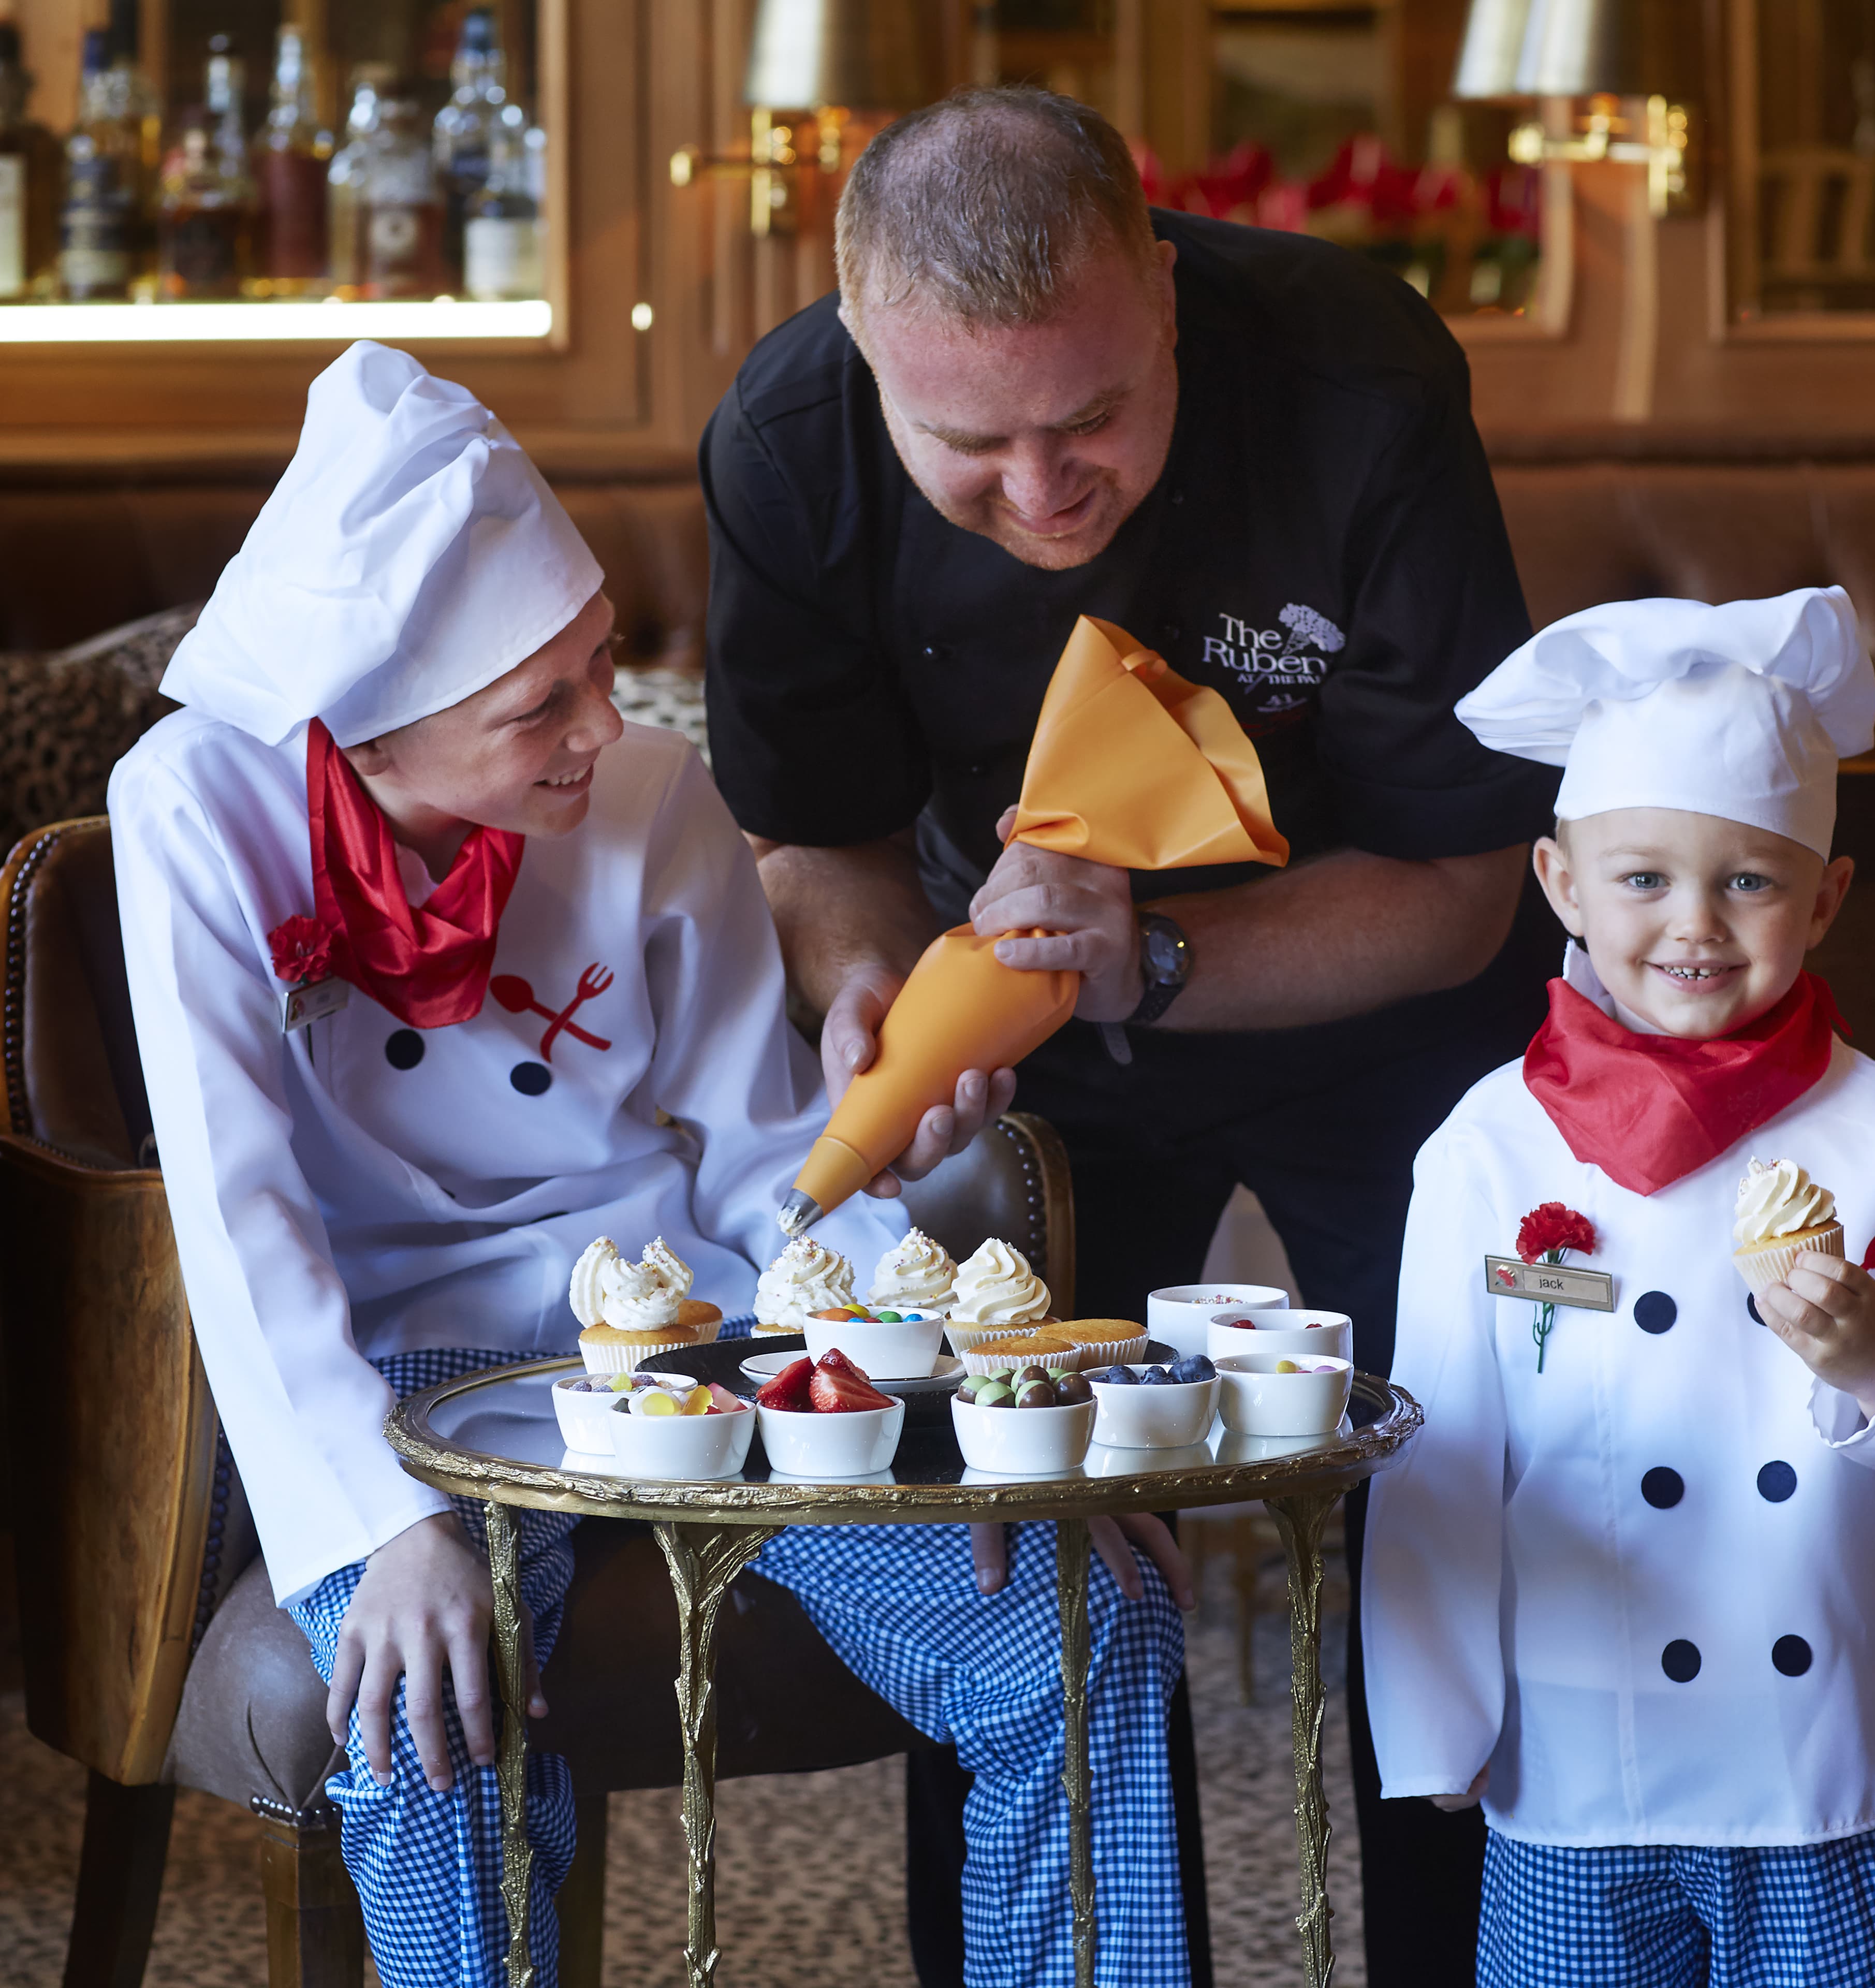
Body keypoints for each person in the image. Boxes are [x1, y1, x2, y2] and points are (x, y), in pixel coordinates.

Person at [111, 338, 1193, 1988]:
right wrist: (372, 1525)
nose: (604, 727)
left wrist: (957, 1390)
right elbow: (232, 1200)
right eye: (540, 706)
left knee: (1087, 1629)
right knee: (423, 1719)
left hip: (703, 1329)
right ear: (370, 743)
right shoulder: (191, 807)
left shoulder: (654, 792)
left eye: (605, 663)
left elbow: (765, 1160)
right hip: (395, 1369)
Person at [700, 84, 1552, 1966]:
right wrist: (872, 986)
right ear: (862, 358)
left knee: (1448, 1523)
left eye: (1090, 418)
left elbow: (1463, 886)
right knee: (1019, 1511)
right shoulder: (785, 438)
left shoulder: (1360, 381)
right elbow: (813, 834)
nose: (1042, 493)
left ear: (1164, 298)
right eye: (970, 444)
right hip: (1013, 1021)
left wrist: (1154, 962)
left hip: (1385, 1002)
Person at [1357, 587, 1875, 1985]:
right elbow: (1438, 1454)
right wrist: (1434, 1721)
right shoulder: (1491, 1147)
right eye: (1643, 879)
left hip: (1808, 1751)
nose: (1695, 925)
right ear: (1558, 883)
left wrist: (1871, 1349)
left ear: (1827, 896)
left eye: (1749, 880)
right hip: (1571, 1744)